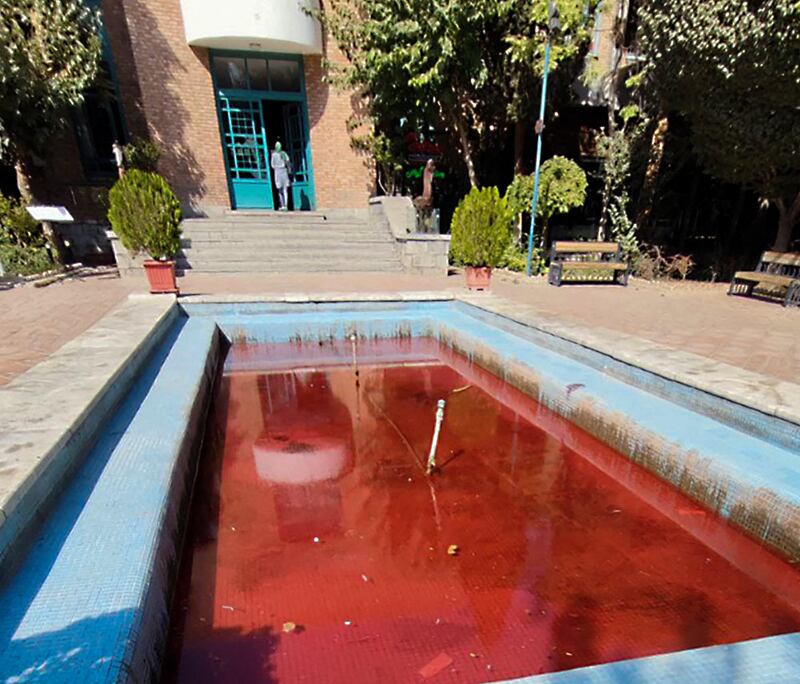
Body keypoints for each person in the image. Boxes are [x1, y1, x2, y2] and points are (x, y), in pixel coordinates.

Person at [271, 142, 292, 211]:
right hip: (284, 171)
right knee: (285, 190)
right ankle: (285, 205)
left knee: (280, 190)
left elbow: (272, 165)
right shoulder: (284, 154)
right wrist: (289, 170)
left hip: (277, 172)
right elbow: (288, 162)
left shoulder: (274, 155)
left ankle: (283, 205)